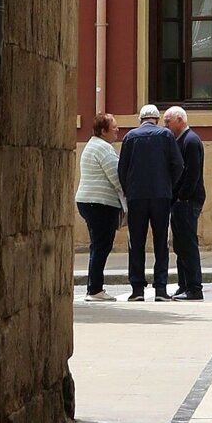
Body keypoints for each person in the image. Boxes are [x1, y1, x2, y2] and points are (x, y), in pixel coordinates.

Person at [117, 103, 183, 301]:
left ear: (141, 120)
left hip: (137, 196)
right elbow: (178, 164)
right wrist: (169, 186)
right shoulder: (166, 136)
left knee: (136, 242)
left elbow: (122, 169)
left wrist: (129, 190)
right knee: (161, 242)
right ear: (156, 119)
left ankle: (137, 289)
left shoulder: (130, 137)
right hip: (161, 195)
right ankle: (160, 289)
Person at [75, 113, 124, 301]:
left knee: (97, 245)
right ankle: (95, 289)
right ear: (103, 131)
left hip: (88, 201)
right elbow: (116, 176)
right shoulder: (104, 148)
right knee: (102, 245)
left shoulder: (92, 145)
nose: (117, 130)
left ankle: (94, 287)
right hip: (100, 203)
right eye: (114, 127)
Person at [163, 105, 206, 301]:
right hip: (180, 200)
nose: (165, 126)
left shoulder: (191, 141)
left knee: (187, 244)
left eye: (168, 121)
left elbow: (192, 174)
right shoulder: (180, 141)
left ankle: (194, 287)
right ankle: (183, 284)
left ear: (180, 120)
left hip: (187, 201)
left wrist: (182, 196)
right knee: (179, 245)